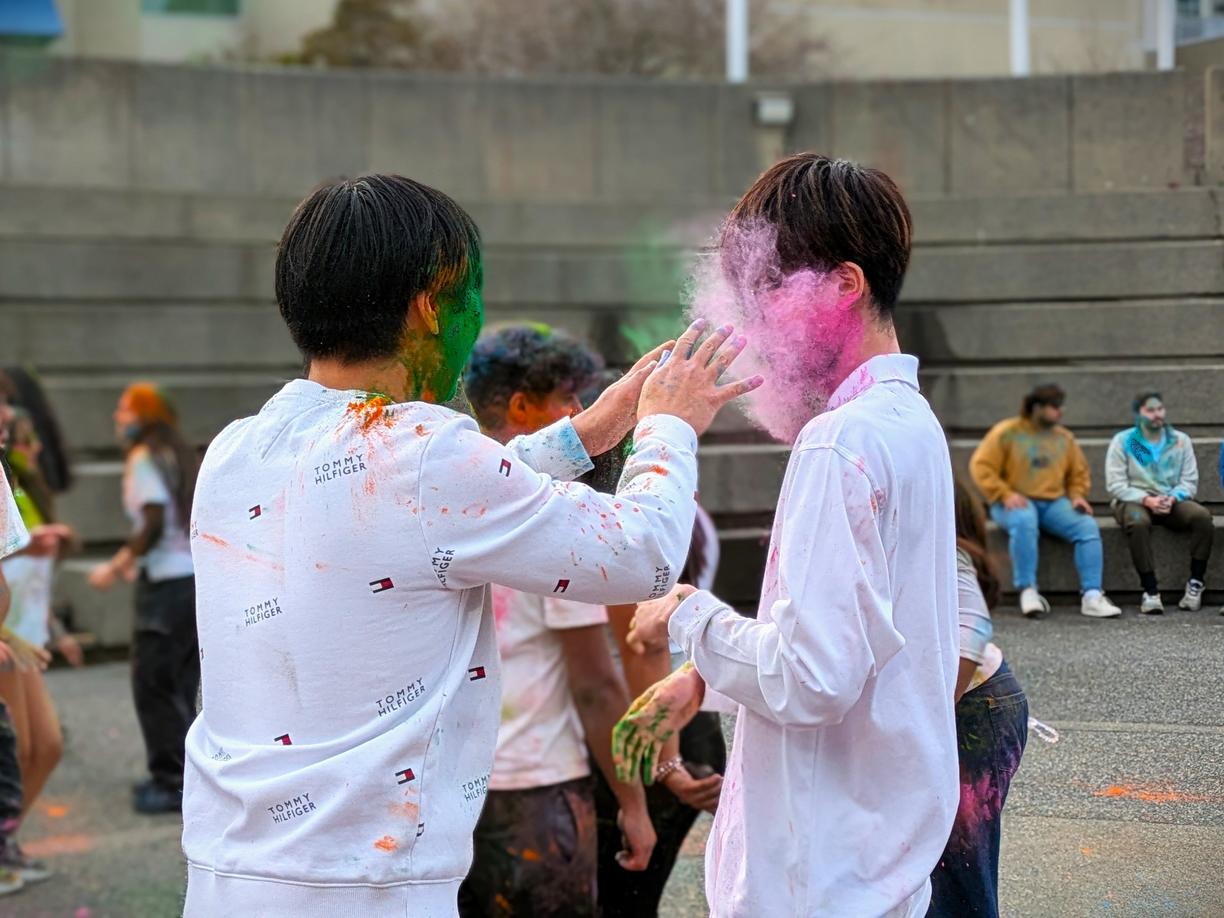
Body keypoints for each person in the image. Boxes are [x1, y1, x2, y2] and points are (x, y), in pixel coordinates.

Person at [180, 175, 760, 915]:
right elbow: (640, 553)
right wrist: (668, 425)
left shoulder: (235, 451)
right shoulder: (424, 452)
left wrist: (588, 433)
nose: (476, 314)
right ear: (429, 304)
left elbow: (415, 509)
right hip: (367, 889)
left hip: (226, 876)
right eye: (472, 294)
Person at [615, 154, 961, 917]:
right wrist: (704, 677)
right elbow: (859, 648)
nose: (754, 323)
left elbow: (810, 677)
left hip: (821, 873)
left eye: (769, 289)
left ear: (844, 284)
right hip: (873, 858)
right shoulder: (907, 423)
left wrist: (686, 615)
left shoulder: (840, 441)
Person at [458, 325, 656, 916]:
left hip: (446, 792)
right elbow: (595, 687)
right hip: (536, 795)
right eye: (568, 399)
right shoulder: (551, 513)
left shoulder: (444, 493)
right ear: (521, 407)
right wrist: (634, 803)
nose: (582, 413)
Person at [594, 503, 726, 918]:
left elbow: (643, 646)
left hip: (647, 723)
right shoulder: (687, 507)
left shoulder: (618, 520)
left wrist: (667, 766)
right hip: (691, 715)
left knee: (623, 897)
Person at [88, 383, 200, 814]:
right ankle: (186, 778)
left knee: (153, 684)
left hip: (165, 584)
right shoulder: (178, 452)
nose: (118, 417)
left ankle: (170, 780)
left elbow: (152, 520)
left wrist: (116, 565)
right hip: (190, 580)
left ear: (145, 414)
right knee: (182, 683)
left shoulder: (143, 458)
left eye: (124, 409)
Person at [928, 478, 1029, 918]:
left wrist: (927, 719)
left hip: (975, 708)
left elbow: (971, 633)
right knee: (942, 863)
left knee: (959, 868)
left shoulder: (948, 558)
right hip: (977, 702)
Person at [970, 384, 1121, 619]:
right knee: (1024, 520)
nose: (1060, 411)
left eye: (1061, 406)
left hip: (1053, 503)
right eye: (1054, 406)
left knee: (1087, 526)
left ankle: (1092, 595)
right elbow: (981, 466)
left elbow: (1078, 474)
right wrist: (1004, 493)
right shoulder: (1007, 432)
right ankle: (1028, 590)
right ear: (1037, 407)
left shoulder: (1065, 438)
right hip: (1011, 502)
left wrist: (1077, 496)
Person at [1106, 391, 1213, 615]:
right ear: (1138, 414)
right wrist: (1146, 499)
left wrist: (1173, 497)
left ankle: (1195, 583)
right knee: (1138, 522)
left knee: (1202, 517)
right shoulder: (1126, 442)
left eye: (1159, 409)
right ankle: (1150, 590)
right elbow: (1115, 484)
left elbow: (1189, 481)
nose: (1157, 415)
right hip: (1134, 499)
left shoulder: (1180, 441)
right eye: (1150, 410)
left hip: (1171, 499)